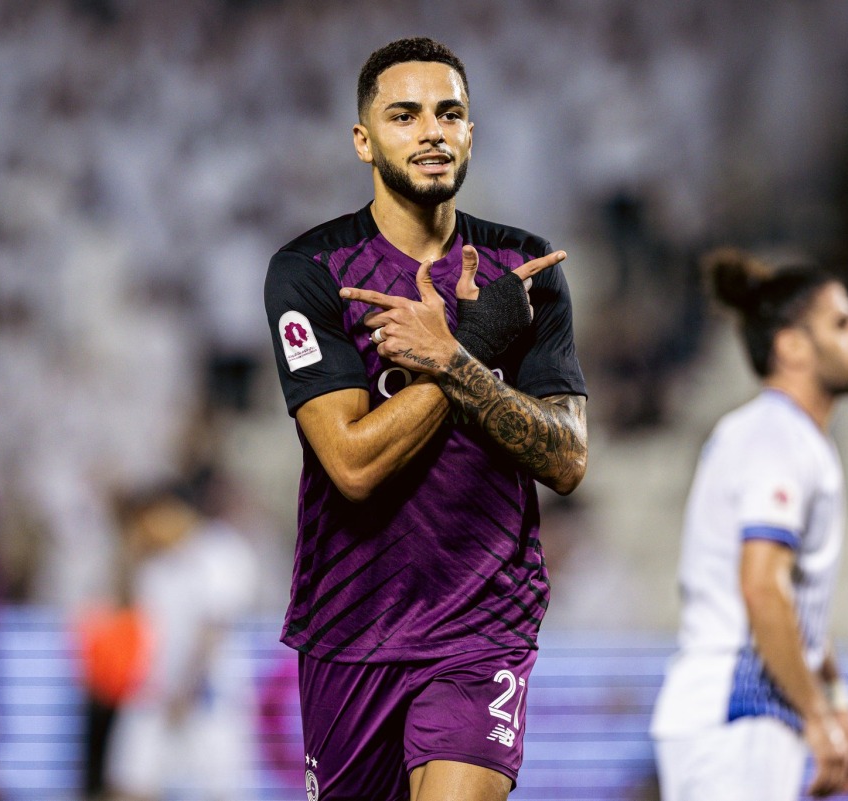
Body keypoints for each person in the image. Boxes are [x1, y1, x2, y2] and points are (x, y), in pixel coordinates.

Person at [263, 36, 588, 801]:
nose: (432, 131)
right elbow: (351, 463)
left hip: (483, 625)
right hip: (349, 627)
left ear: (472, 131)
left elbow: (569, 458)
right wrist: (472, 345)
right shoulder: (312, 272)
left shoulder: (525, 271)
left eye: (450, 113)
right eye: (404, 116)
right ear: (363, 140)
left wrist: (454, 358)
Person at [650, 247, 848, 800]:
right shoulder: (776, 436)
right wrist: (818, 717)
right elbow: (762, 585)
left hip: (739, 713)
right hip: (737, 706)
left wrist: (837, 703)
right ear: (791, 345)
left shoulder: (785, 436)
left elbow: (796, 603)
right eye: (842, 322)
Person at [103, 481, 259, 801]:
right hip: (156, 692)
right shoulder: (155, 564)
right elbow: (125, 613)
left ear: (170, 511)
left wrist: (187, 687)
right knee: (130, 783)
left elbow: (214, 628)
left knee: (222, 791)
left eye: (149, 519)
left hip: (209, 696)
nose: (147, 530)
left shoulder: (220, 551)